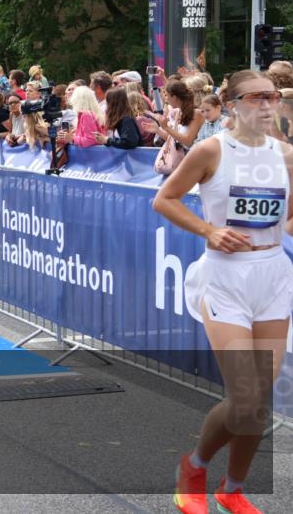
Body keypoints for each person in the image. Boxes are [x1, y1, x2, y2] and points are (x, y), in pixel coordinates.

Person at [154, 70, 293, 514]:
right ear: (232, 105)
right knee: (246, 397)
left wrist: (274, 234)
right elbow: (165, 199)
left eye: (272, 97)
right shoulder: (212, 149)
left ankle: (232, 489)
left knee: (256, 406)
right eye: (256, 99)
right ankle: (194, 468)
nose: (268, 106)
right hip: (225, 278)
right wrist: (210, 231)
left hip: (272, 276)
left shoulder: (287, 154)